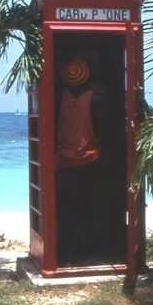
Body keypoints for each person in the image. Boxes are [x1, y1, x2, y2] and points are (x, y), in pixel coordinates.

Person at [55, 56, 106, 266]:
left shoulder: (60, 96)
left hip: (63, 160)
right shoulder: (95, 99)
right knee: (86, 208)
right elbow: (103, 130)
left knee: (66, 208)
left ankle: (65, 253)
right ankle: (82, 253)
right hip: (89, 159)